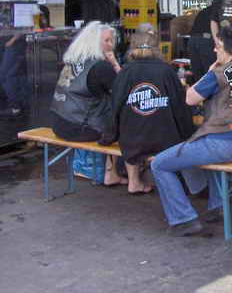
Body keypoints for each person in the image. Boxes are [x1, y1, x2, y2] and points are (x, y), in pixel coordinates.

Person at [151, 27, 232, 237]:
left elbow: (190, 98)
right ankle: (216, 205)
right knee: (195, 151)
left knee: (159, 164)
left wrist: (209, 72)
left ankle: (184, 219)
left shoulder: (218, 74)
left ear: (230, 50)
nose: (214, 49)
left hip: (221, 143)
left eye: (218, 46)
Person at [107, 32, 193, 194]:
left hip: (132, 142)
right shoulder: (167, 71)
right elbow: (180, 106)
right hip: (164, 140)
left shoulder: (125, 71)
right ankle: (171, 186)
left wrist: (110, 134)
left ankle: (134, 181)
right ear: (157, 48)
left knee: (130, 128)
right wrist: (188, 132)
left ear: (132, 47)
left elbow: (115, 106)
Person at [50, 21, 124, 186]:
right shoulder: (100, 67)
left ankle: (98, 168)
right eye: (107, 41)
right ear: (93, 42)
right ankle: (115, 173)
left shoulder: (73, 60)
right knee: (123, 120)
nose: (111, 45)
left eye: (112, 41)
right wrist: (114, 64)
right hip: (81, 127)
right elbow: (123, 90)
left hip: (59, 122)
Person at [188, 0, 232, 82]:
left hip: (192, 40)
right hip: (206, 41)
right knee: (211, 75)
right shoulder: (228, 1)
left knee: (198, 77)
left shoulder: (215, 2)